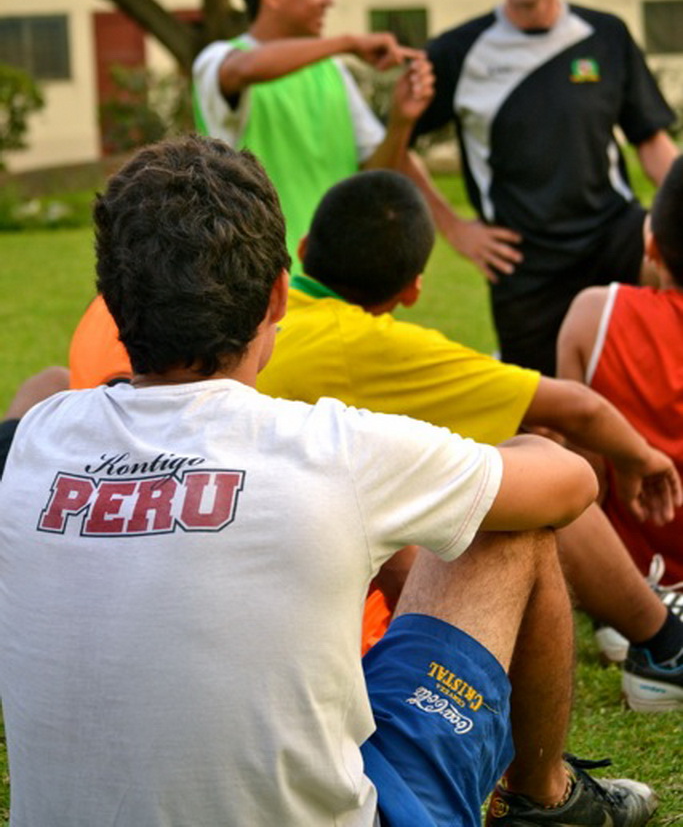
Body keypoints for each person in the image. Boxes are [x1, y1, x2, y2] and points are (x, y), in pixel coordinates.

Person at [0, 134, 656, 827]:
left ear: (110, 299)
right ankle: (544, 798)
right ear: (279, 294)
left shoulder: (31, 447)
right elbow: (569, 486)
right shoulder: (334, 445)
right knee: (503, 527)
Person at [256, 168, 683, 714]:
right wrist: (642, 457)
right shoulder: (364, 343)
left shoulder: (264, 317)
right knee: (535, 471)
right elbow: (578, 408)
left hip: (241, 575)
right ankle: (664, 645)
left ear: (304, 249)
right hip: (320, 621)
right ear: (413, 288)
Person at [405, 0, 679, 376]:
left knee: (666, 319)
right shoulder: (458, 51)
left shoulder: (606, 36)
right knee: (551, 427)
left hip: (613, 234)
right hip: (524, 265)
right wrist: (457, 230)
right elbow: (390, 146)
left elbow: (652, 142)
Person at [192, 0, 434, 265]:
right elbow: (243, 69)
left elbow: (370, 180)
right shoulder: (218, 60)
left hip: (336, 284)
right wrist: (348, 42)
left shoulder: (333, 71)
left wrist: (400, 122)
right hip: (261, 287)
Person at [558, 153, 683, 689]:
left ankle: (626, 606)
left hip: (630, 574)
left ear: (650, 244)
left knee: (550, 461)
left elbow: (581, 470)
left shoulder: (594, 312)